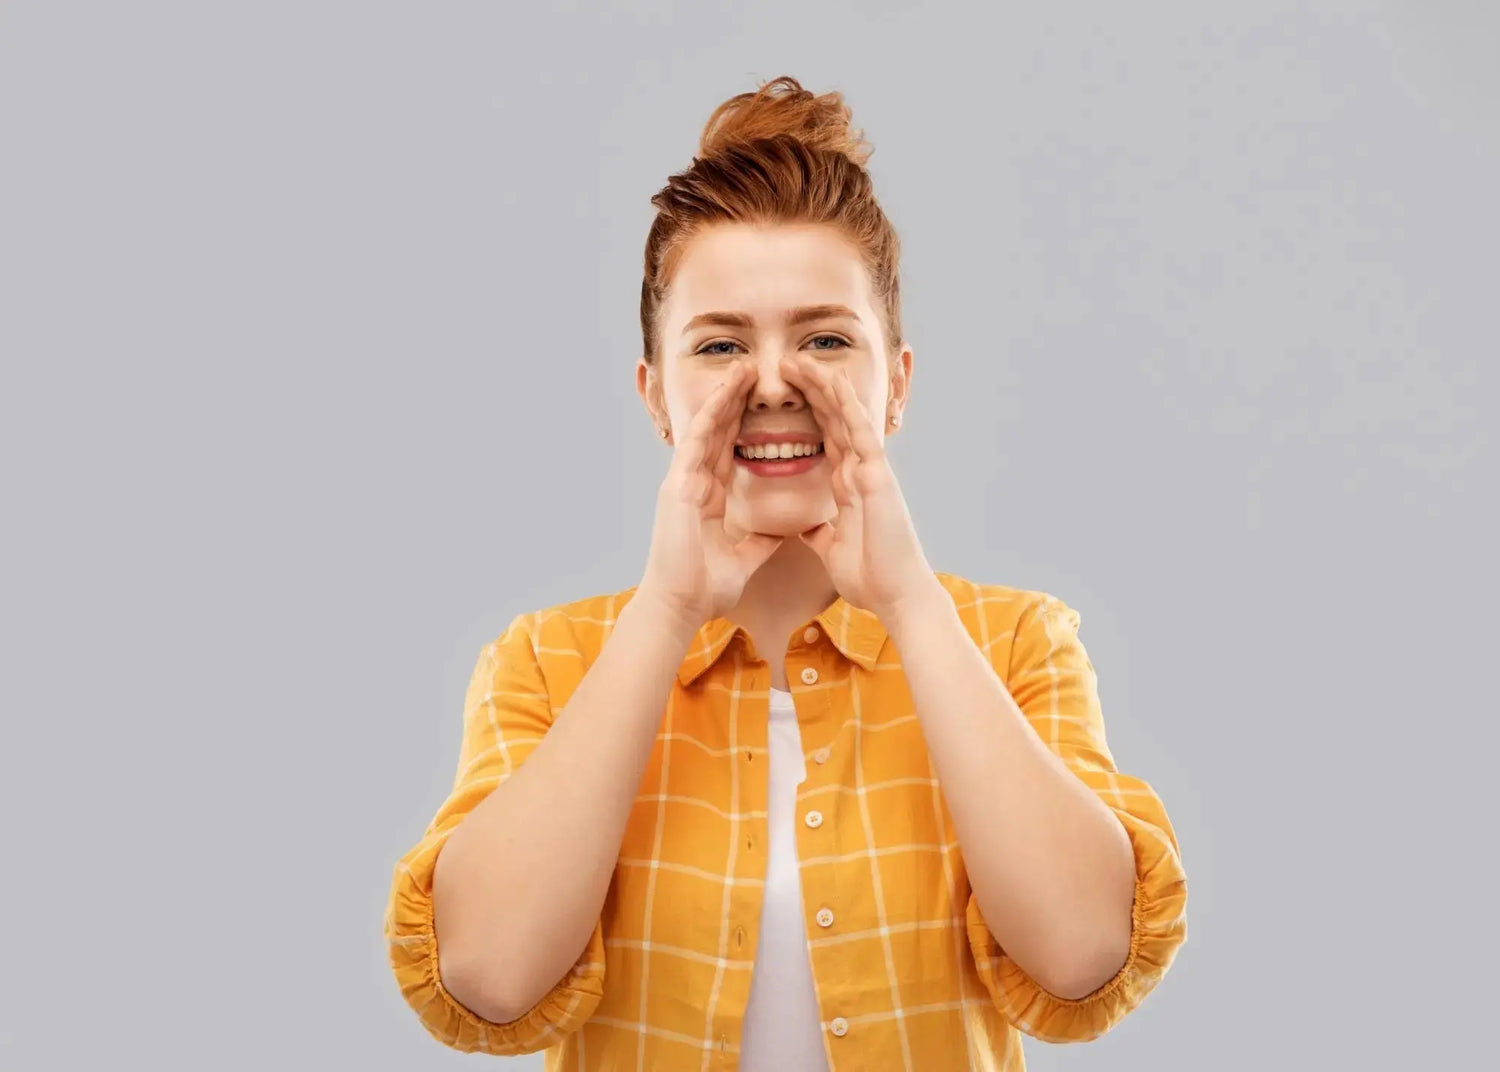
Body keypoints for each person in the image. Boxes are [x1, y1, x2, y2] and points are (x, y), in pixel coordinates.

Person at [384, 75, 1187, 1070]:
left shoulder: (1014, 643)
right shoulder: (548, 662)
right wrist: (667, 609)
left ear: (896, 383)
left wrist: (909, 600)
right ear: (656, 395)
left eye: (825, 340)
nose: (772, 384)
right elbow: (486, 975)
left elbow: (1083, 955)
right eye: (721, 344)